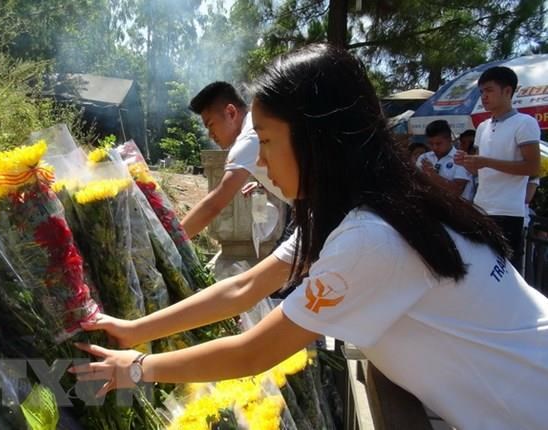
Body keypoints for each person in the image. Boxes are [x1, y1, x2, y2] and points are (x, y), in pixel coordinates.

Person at [70, 44, 548, 430]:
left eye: (269, 141)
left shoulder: (371, 237)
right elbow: (243, 288)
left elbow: (253, 351)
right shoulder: (367, 206)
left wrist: (135, 369)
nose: (263, 162)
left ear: (320, 139)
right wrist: (135, 329)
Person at [455, 66, 541, 271]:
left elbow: (533, 166)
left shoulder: (524, 123)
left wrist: (486, 162)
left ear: (507, 91)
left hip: (507, 212)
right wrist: (468, 163)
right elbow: (480, 171)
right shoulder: (483, 126)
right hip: (480, 208)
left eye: (489, 90)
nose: (484, 96)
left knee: (506, 273)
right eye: (482, 92)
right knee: (481, 270)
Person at [180, 81, 286, 239]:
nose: (210, 135)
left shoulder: (247, 138)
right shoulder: (256, 125)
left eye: (210, 125)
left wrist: (171, 240)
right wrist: (263, 182)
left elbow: (214, 205)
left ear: (231, 113)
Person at [416, 120, 473, 200]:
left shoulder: (461, 158)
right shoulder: (424, 158)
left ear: (450, 139)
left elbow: (456, 191)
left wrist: (432, 174)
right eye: (430, 143)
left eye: (438, 143)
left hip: (457, 210)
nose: (434, 147)